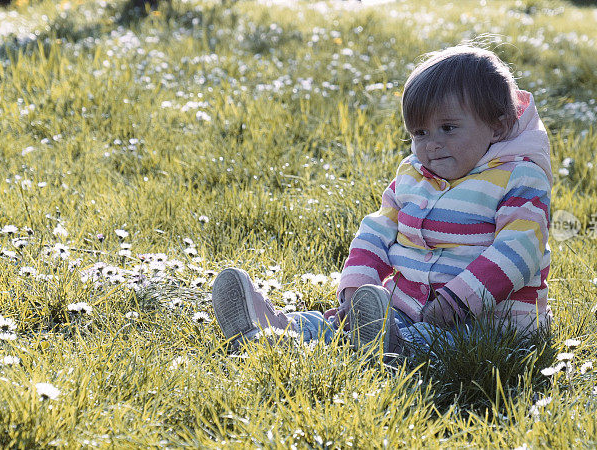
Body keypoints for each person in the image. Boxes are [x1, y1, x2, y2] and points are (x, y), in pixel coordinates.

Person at [212, 44, 552, 354]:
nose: (432, 144)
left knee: (432, 345)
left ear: (498, 125)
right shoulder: (414, 174)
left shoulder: (518, 176)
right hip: (402, 310)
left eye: (448, 128)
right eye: (420, 133)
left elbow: (518, 249)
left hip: (487, 325)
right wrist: (357, 288)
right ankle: (270, 328)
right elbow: (377, 231)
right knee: (344, 323)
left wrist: (458, 301)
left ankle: (384, 345)